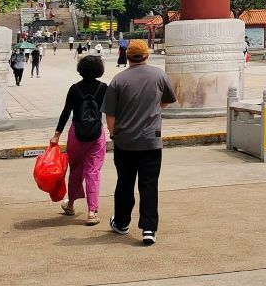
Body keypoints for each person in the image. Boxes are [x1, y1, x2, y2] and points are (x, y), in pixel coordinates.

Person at [103, 39, 177, 246]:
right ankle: (149, 228)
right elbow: (169, 99)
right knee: (149, 184)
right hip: (151, 141)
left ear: (127, 57)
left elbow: (110, 114)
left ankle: (121, 223)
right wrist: (154, 108)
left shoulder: (118, 80)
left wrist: (113, 133)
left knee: (124, 183)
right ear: (147, 55)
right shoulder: (159, 76)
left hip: (125, 141)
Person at [51, 54, 108, 226]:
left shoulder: (74, 88)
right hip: (97, 134)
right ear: (99, 70)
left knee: (76, 170)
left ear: (80, 69)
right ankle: (92, 212)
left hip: (76, 134)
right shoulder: (104, 88)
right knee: (92, 172)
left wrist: (57, 134)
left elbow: (66, 112)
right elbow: (112, 111)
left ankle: (70, 205)